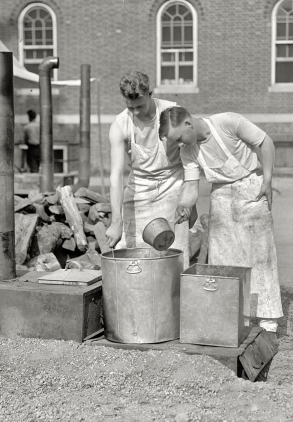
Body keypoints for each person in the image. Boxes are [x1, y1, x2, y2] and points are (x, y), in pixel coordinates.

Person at [159, 106, 283, 333]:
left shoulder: (227, 122)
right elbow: (191, 185)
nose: (178, 144)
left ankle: (267, 319)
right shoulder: (188, 152)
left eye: (178, 138)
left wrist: (267, 180)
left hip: (251, 188)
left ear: (188, 124)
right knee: (224, 260)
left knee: (260, 255)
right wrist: (184, 205)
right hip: (221, 198)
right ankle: (237, 315)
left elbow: (266, 143)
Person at [106, 71, 190, 268]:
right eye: (130, 108)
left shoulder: (172, 113)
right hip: (139, 190)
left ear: (150, 94)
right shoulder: (120, 125)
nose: (136, 112)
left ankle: (174, 298)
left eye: (140, 106)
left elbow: (190, 160)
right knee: (134, 257)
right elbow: (116, 176)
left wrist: (189, 201)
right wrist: (116, 221)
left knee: (173, 256)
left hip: (172, 186)